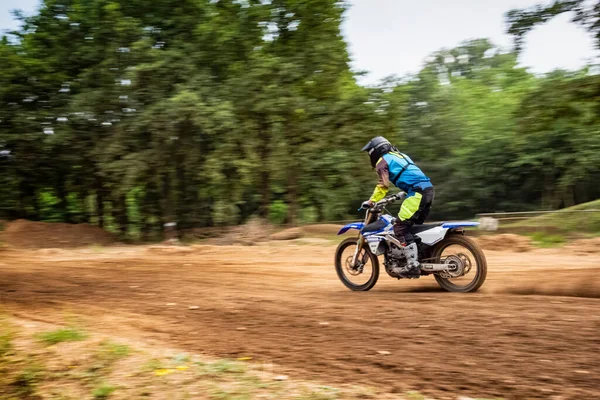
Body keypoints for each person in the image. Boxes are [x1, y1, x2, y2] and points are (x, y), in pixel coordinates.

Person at [361, 136, 435, 278]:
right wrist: (401, 193)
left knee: (399, 227)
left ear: (374, 152)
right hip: (428, 190)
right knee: (412, 229)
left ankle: (412, 265)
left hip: (417, 193)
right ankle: (422, 257)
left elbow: (383, 186)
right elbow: (410, 175)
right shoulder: (401, 156)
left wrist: (371, 201)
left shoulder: (382, 162)